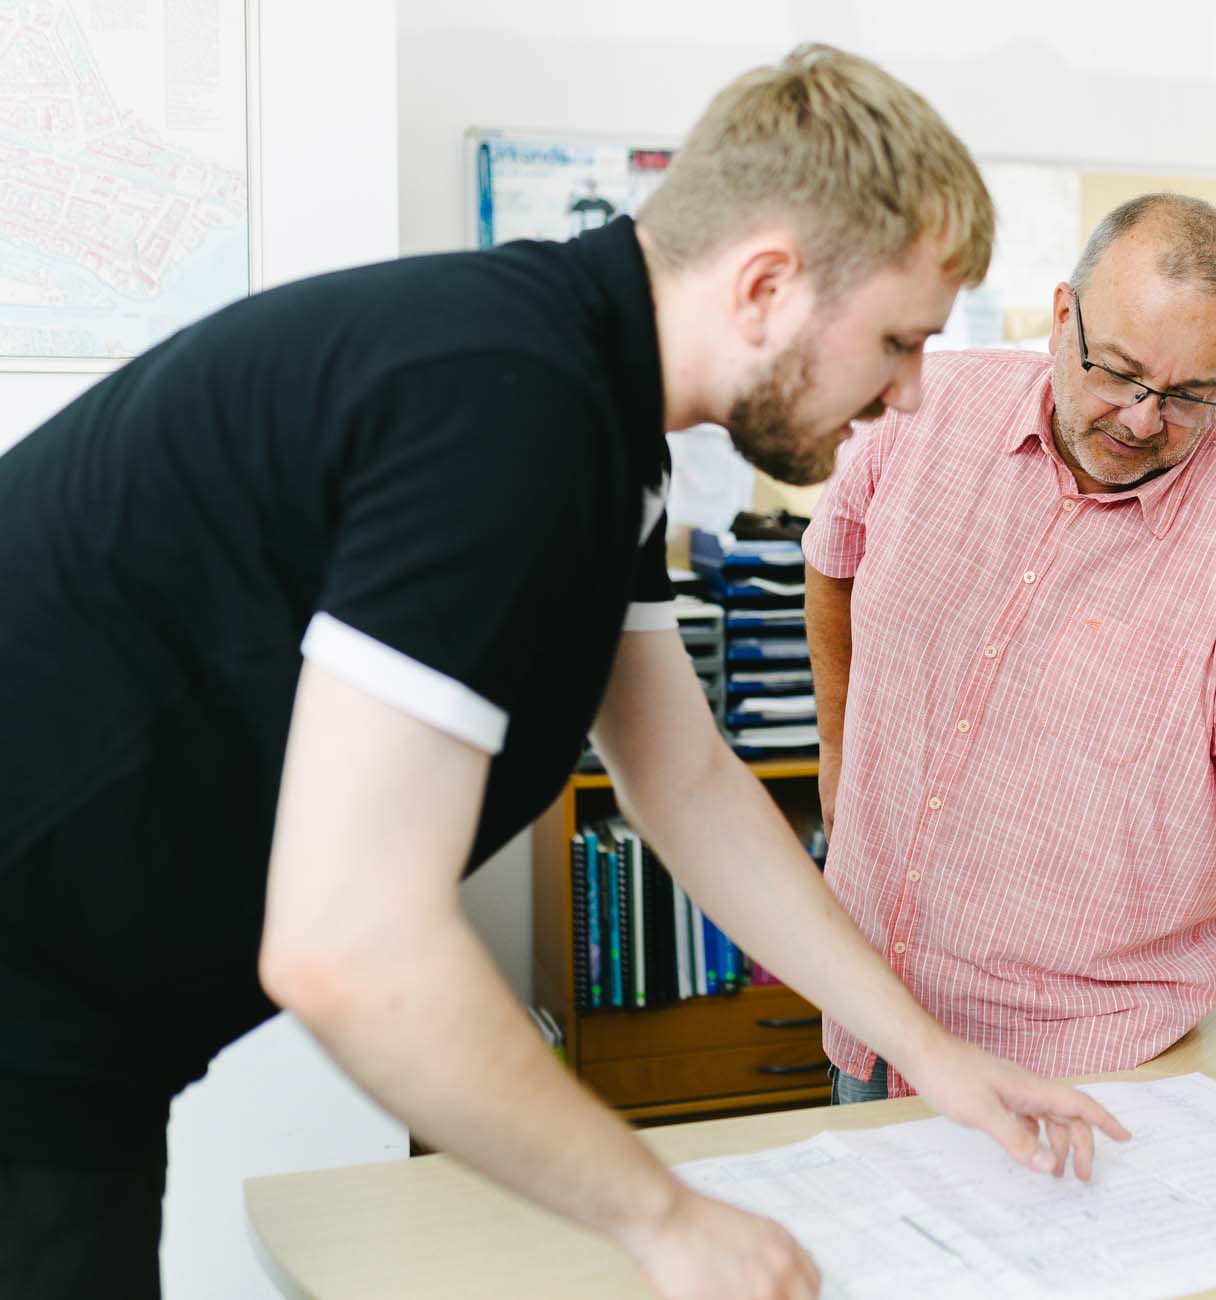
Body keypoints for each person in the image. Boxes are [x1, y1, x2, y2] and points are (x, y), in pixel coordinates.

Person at [0, 45, 1124, 1300]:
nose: (911, 395)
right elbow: (346, 945)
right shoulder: (509, 415)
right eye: (897, 340)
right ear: (765, 285)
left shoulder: (586, 406)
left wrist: (934, 1054)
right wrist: (662, 1216)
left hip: (79, 1035)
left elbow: (684, 777)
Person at [805, 193, 1216, 1180]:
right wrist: (836, 748)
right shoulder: (924, 411)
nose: (1142, 417)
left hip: (1086, 1078)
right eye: (1118, 371)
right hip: (872, 1014)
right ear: (1061, 317)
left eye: (1193, 392)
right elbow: (835, 557)